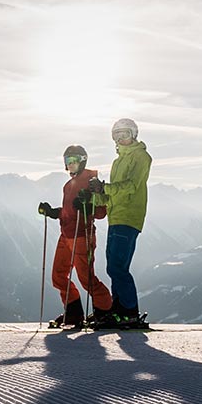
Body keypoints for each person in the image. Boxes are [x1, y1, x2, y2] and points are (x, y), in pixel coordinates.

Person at [38, 145, 114, 329]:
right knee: (58, 275)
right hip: (66, 235)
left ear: (83, 161)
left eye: (73, 161)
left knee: (86, 279)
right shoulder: (68, 186)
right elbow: (68, 212)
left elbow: (102, 212)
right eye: (67, 161)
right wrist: (54, 212)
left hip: (82, 235)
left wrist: (88, 203)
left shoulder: (92, 181)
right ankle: (73, 313)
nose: (70, 165)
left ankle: (106, 311)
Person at [87, 118, 151, 328]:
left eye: (125, 134)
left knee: (118, 267)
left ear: (134, 134)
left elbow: (132, 185)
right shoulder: (117, 162)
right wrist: (93, 197)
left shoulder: (141, 156)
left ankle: (130, 312)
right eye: (117, 136)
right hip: (116, 218)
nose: (121, 139)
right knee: (112, 267)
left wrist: (105, 188)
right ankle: (119, 310)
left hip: (129, 217)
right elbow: (112, 195)